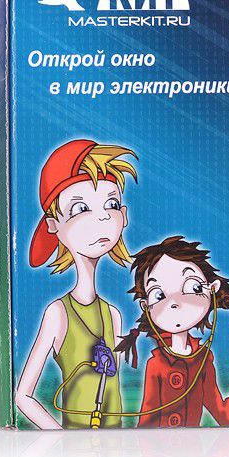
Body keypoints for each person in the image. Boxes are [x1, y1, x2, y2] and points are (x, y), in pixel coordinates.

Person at [16, 139, 137, 429]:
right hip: (76, 448)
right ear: (53, 225)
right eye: (81, 208)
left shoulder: (113, 315)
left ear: (123, 215)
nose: (103, 216)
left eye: (111, 204)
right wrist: (60, 438)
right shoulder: (58, 313)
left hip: (117, 446)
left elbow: (114, 389)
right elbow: (22, 396)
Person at [116, 236, 229, 428]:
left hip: (194, 446)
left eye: (193, 287)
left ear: (212, 289)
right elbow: (146, 422)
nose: (174, 302)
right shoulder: (156, 364)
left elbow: (225, 417)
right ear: (145, 306)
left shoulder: (203, 361)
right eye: (159, 295)